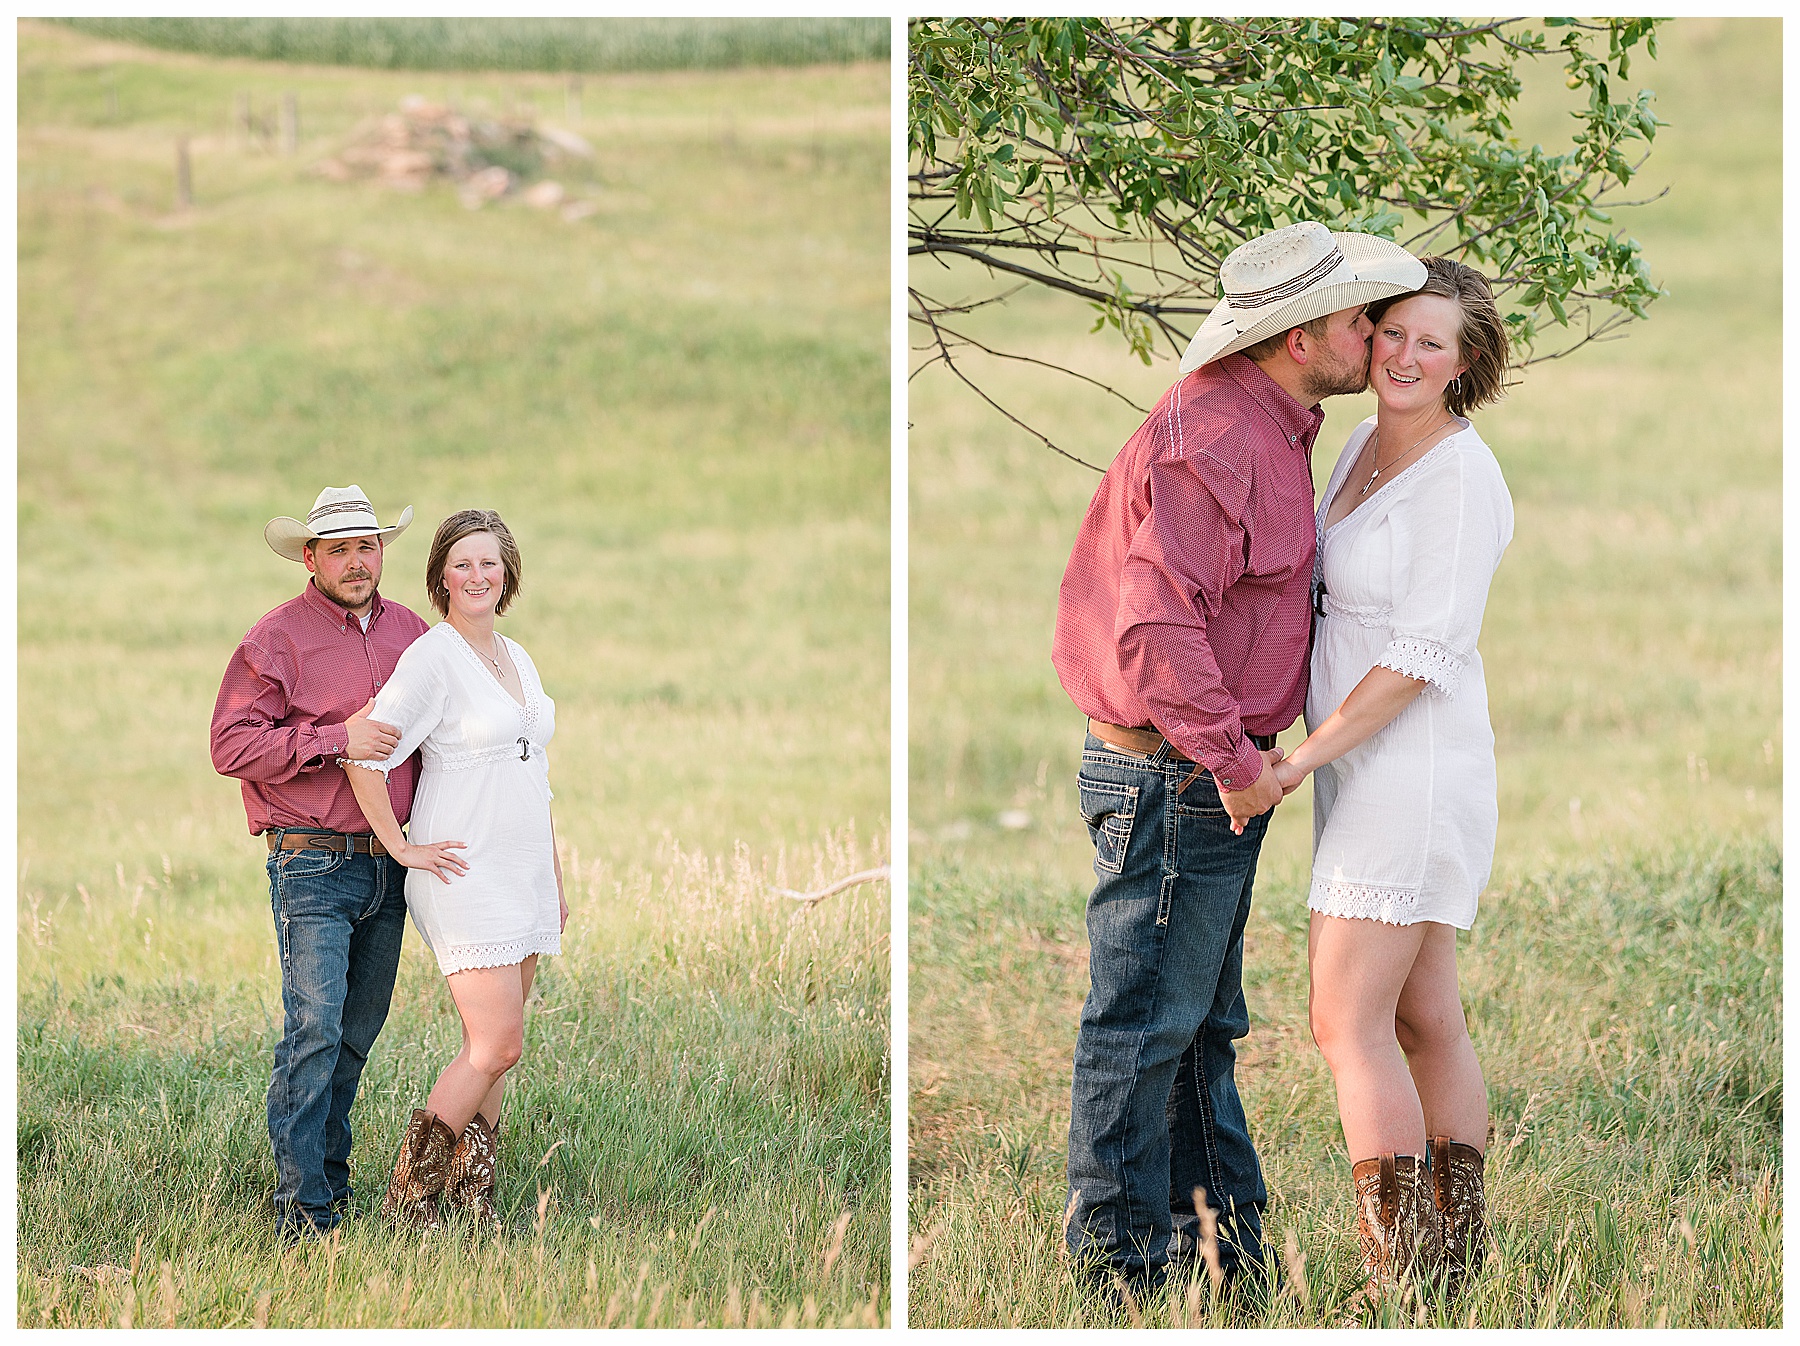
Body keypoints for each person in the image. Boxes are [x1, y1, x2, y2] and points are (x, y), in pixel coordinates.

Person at [1051, 221, 1426, 1295]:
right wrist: (1232, 760)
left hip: (1200, 767)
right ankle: (1118, 1276)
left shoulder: (1273, 421)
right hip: (1179, 769)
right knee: (1143, 1026)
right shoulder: (1214, 438)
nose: (1381, 336)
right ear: (1305, 336)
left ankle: (1222, 1257)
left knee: (1198, 1023)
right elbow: (1155, 630)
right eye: (1365, 320)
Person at [1271, 257, 1513, 1297]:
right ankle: (1454, 1266)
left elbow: (1422, 654)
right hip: (1358, 760)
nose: (1405, 356)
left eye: (1433, 343)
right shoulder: (1365, 441)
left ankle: (1403, 1278)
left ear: (1466, 366)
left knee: (1345, 1019)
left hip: (1410, 767)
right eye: (1393, 333)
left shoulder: (1462, 478)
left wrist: (1298, 760)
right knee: (1422, 1015)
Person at [210, 485, 428, 1242]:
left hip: (392, 866)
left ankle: (332, 1190)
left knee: (356, 1035)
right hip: (312, 861)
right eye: (339, 548)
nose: (356, 560)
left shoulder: (413, 632)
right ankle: (302, 1213)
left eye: (366, 546)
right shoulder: (275, 639)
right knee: (314, 1029)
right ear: (311, 558)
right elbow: (231, 748)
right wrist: (335, 737)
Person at [341, 508, 567, 1231]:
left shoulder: (518, 656)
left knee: (498, 1054)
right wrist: (402, 845)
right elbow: (365, 754)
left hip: (523, 872)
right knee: (497, 1043)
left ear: (508, 574)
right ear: (441, 575)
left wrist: (554, 881)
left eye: (490, 563)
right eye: (463, 564)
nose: (478, 576)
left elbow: (538, 775)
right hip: (463, 873)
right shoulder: (433, 658)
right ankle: (410, 1198)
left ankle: (475, 1198)